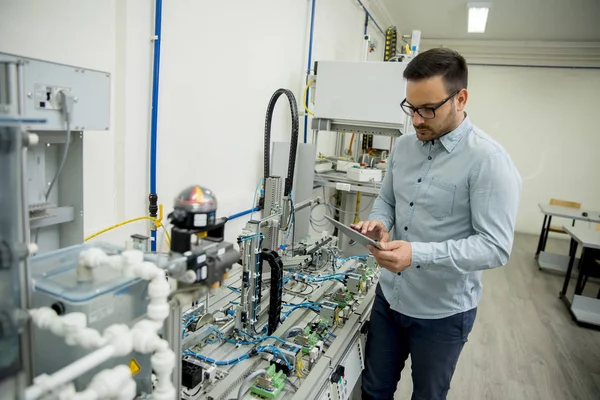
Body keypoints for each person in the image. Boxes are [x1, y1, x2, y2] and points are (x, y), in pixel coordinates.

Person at [354, 48, 522, 400]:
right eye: (411, 108)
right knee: (373, 389)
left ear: (460, 98)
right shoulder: (403, 148)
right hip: (389, 300)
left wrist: (417, 254)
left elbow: (494, 246)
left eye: (428, 109)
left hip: (441, 314)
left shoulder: (488, 161)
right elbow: (387, 200)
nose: (416, 120)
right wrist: (380, 224)